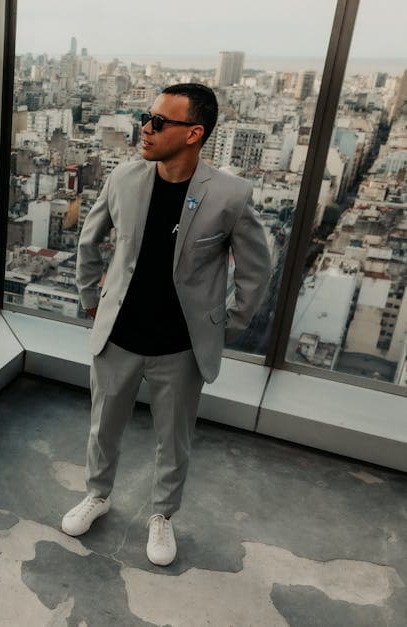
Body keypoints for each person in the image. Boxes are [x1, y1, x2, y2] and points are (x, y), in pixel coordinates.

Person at [61, 83, 271, 566]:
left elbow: (256, 269)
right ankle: (98, 494)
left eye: (159, 121)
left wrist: (225, 325)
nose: (145, 128)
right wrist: (92, 298)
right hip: (119, 334)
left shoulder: (230, 195)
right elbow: (89, 242)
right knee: (102, 427)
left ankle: (162, 516)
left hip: (180, 346)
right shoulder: (124, 178)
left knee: (173, 439)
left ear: (194, 133)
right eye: (146, 116)